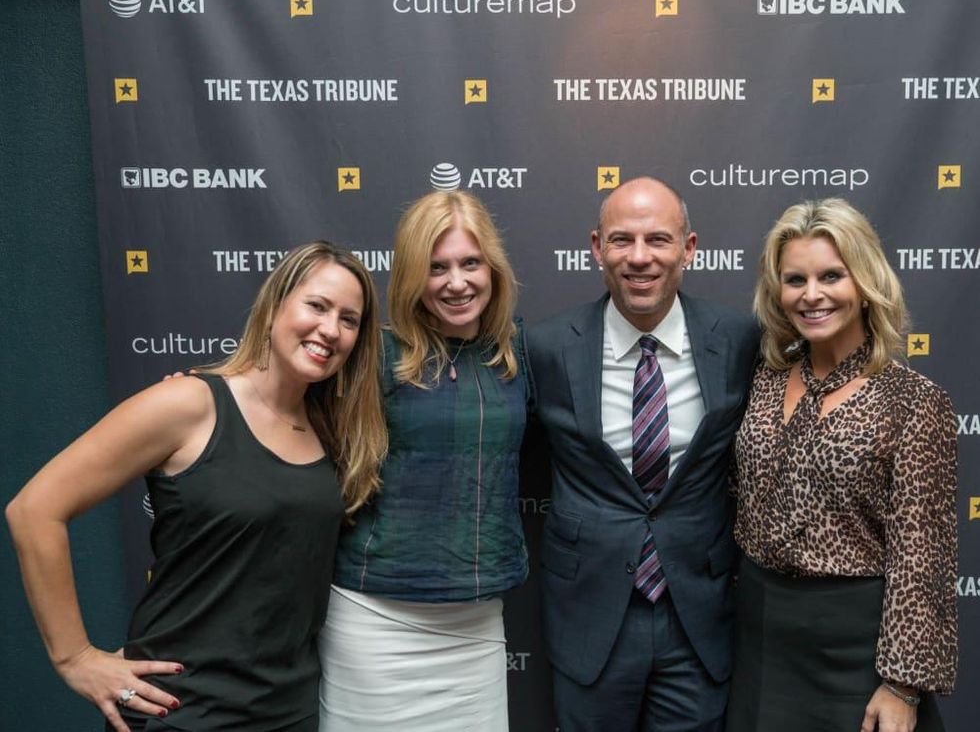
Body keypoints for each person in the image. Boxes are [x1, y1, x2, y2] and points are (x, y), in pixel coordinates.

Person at [6, 241, 387, 732]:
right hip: (182, 711)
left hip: (288, 712)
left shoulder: (331, 431)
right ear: (274, 306)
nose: (330, 329)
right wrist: (75, 657)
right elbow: (34, 510)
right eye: (316, 305)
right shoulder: (190, 403)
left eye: (349, 319)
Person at [525, 176, 759, 731]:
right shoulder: (549, 346)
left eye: (658, 239)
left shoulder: (739, 339)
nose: (639, 257)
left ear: (689, 248)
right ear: (596, 247)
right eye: (621, 240)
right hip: (590, 615)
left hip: (698, 617)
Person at [726, 198, 957, 732]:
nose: (812, 295)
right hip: (759, 637)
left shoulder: (914, 401)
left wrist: (902, 685)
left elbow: (923, 558)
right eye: (795, 279)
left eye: (832, 275)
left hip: (855, 646)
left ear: (865, 281)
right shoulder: (760, 380)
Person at [318, 190, 530, 731]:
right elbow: (275, 403)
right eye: (436, 268)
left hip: (476, 624)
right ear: (413, 275)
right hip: (373, 621)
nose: (456, 282)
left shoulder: (519, 353)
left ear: (493, 269)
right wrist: (202, 402)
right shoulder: (372, 356)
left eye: (470, 263)